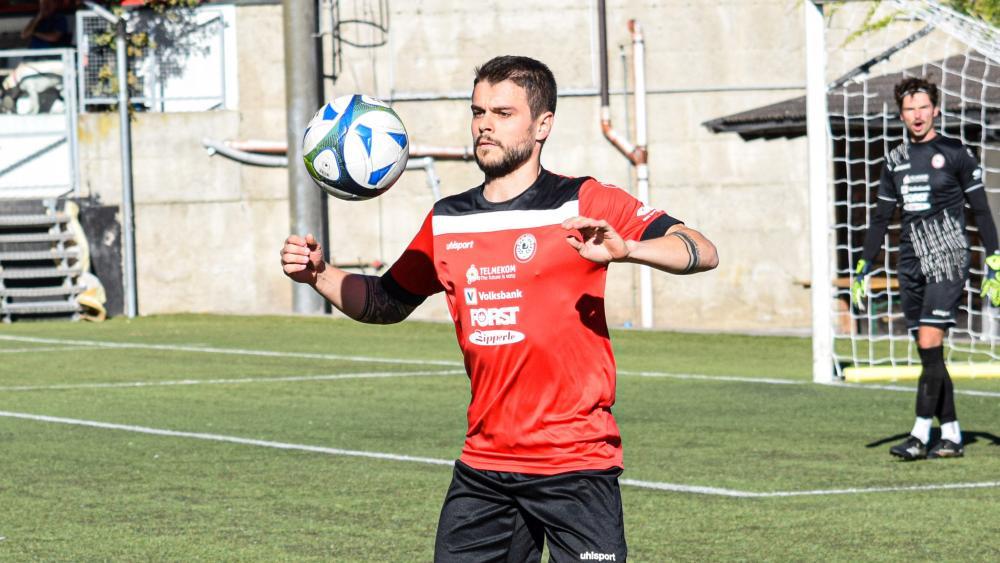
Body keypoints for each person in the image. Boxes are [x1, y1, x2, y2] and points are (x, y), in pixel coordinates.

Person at [282, 56, 718, 560]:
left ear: (542, 125)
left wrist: (630, 249)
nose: (485, 124)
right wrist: (318, 274)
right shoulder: (448, 219)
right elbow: (385, 301)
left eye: (503, 113)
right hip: (484, 468)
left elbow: (701, 249)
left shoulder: (583, 200)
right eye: (478, 111)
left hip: (575, 463)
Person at [852, 76, 1000, 461]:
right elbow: (882, 216)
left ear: (935, 109)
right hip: (911, 261)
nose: (917, 115)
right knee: (928, 351)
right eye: (909, 109)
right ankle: (951, 434)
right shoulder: (895, 160)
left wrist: (995, 259)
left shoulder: (955, 152)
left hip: (948, 257)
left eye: (923, 107)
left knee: (931, 342)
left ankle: (920, 434)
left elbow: (981, 210)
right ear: (901, 114)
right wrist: (864, 263)